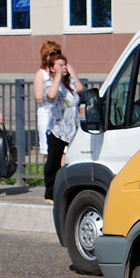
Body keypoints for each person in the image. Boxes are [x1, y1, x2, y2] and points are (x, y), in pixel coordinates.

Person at [33, 41, 82, 160]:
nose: (55, 55)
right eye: (52, 53)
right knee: (51, 152)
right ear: (45, 56)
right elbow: (40, 98)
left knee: (67, 151)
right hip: (49, 115)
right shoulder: (42, 74)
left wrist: (71, 73)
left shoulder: (66, 71)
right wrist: (56, 79)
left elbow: (79, 89)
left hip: (67, 117)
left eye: (58, 52)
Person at [42, 53, 81, 202]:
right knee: (53, 161)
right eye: (59, 65)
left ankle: (70, 190)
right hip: (57, 130)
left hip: (72, 129)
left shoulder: (70, 83)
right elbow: (51, 95)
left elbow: (81, 91)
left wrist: (73, 75)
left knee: (72, 160)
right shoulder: (50, 83)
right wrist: (58, 76)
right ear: (52, 68)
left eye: (65, 64)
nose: (63, 67)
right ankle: (50, 193)